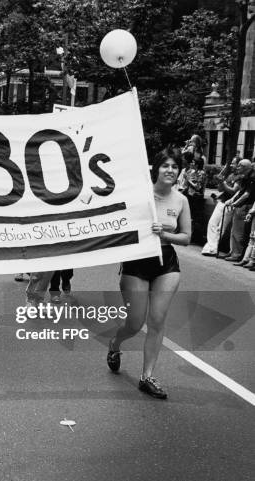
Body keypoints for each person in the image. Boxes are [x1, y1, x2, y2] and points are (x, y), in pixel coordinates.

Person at [107, 150, 191, 399]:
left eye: (175, 166)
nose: (170, 170)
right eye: (165, 165)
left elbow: (186, 237)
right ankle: (115, 344)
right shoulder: (140, 196)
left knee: (157, 320)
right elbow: (118, 223)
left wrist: (165, 235)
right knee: (135, 323)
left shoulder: (181, 200)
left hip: (166, 263)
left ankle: (147, 377)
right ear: (156, 169)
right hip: (137, 263)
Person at [201, 156, 239, 256]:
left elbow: (233, 191)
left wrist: (223, 183)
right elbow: (221, 190)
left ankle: (213, 248)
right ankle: (211, 246)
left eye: (234, 163)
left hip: (229, 204)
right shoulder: (230, 175)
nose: (231, 165)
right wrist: (220, 182)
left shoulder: (239, 177)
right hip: (221, 201)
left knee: (220, 228)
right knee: (212, 223)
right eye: (232, 163)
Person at [224, 160, 254, 262]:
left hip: (245, 206)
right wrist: (232, 200)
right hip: (240, 205)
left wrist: (235, 203)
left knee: (238, 232)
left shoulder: (252, 177)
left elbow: (246, 194)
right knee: (234, 230)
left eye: (240, 166)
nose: (237, 167)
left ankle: (237, 254)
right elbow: (240, 191)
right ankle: (233, 251)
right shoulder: (244, 177)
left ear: (246, 167)